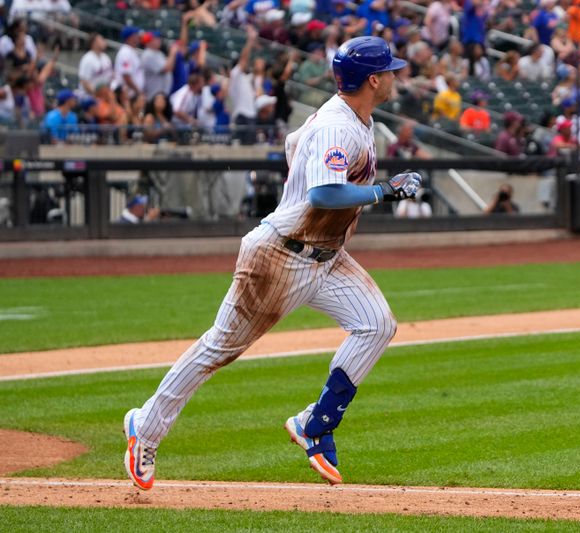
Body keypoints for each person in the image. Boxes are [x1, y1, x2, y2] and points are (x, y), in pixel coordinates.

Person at [122, 36, 420, 491]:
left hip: (325, 255)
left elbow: (292, 143)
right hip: (280, 256)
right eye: (391, 70)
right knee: (218, 349)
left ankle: (314, 424)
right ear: (374, 80)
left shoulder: (354, 119)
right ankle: (146, 426)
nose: (397, 75)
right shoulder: (338, 127)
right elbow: (323, 193)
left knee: (377, 324)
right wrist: (384, 191)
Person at [78, 34, 114, 98]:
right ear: (94, 43)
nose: (104, 42)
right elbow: (85, 83)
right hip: (89, 97)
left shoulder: (105, 57)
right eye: (101, 40)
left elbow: (111, 76)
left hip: (104, 94)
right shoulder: (87, 59)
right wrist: (98, 95)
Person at [114, 26, 144, 97]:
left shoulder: (131, 51)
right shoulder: (125, 52)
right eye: (135, 35)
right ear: (130, 37)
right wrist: (138, 91)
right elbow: (126, 76)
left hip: (132, 94)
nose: (138, 37)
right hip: (127, 95)